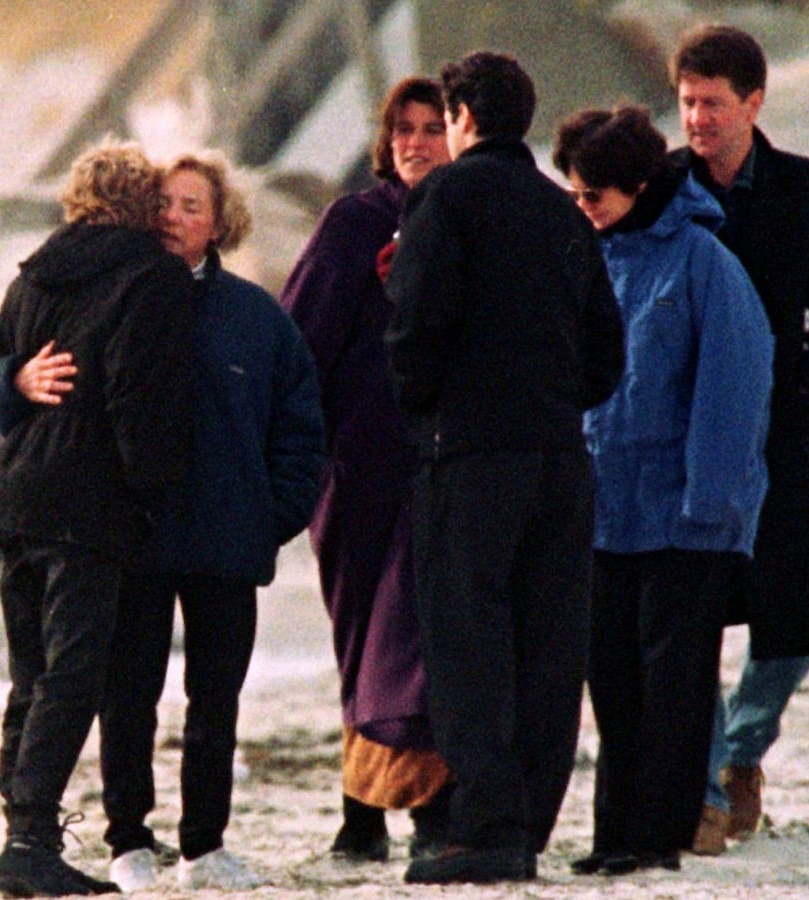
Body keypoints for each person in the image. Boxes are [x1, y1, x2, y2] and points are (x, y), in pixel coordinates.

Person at [0, 151, 325, 893]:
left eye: (191, 207)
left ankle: (205, 843)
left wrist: (271, 517)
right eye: (164, 205)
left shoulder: (255, 316)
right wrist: (8, 380)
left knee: (216, 697)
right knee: (125, 696)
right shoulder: (124, 285)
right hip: (129, 535)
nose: (174, 218)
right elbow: (23, 367)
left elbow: (301, 428)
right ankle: (127, 840)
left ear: (220, 223)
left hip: (226, 540)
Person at [383, 51, 626, 886]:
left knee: (469, 638)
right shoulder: (565, 214)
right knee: (549, 646)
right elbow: (607, 353)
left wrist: (423, 407)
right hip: (562, 456)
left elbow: (415, 329)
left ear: (459, 117)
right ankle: (528, 819)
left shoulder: (443, 196)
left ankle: (487, 829)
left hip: (472, 454)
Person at [0, 140, 199, 898]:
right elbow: (140, 397)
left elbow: (5, 350)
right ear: (142, 205)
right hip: (88, 503)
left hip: (15, 497)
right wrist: (152, 493)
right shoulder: (153, 277)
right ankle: (32, 838)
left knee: (30, 676)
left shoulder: (36, 270)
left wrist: (19, 379)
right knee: (74, 674)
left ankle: (21, 830)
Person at [551, 105, 773, 875]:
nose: (583, 209)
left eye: (594, 196)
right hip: (605, 515)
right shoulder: (593, 259)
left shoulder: (705, 265)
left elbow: (735, 389)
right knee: (610, 679)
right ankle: (615, 834)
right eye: (575, 195)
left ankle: (657, 837)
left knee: (673, 689)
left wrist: (708, 503)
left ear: (638, 186)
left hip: (685, 519)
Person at [666, 24, 809, 852]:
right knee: (689, 610)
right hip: (678, 433)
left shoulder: (805, 188)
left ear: (754, 102)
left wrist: (808, 395)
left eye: (713, 104)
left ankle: (743, 748)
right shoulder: (662, 187)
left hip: (777, 429)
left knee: (806, 604)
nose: (698, 120)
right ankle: (710, 784)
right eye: (686, 104)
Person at [276, 76, 456, 864]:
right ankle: (362, 811)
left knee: (420, 640)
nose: (416, 142)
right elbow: (299, 341)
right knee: (364, 641)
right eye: (403, 128)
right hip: (356, 469)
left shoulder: (471, 219)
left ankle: (425, 807)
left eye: (432, 128)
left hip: (444, 465)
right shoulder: (355, 223)